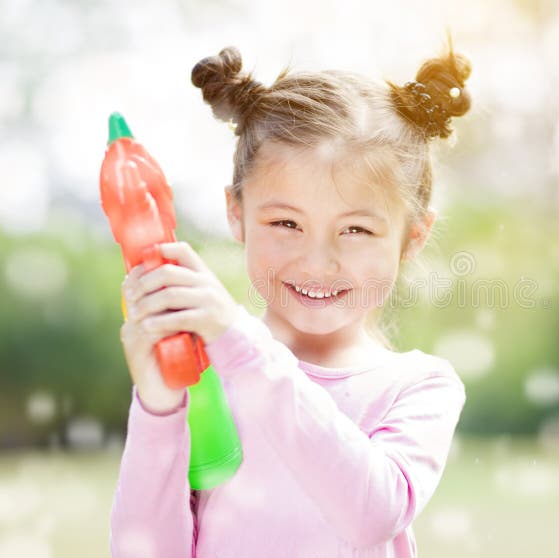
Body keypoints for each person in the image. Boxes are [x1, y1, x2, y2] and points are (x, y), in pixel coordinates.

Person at [109, 36, 472, 558]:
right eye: (286, 222)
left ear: (412, 236)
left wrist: (239, 343)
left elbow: (371, 512)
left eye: (356, 230)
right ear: (236, 214)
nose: (318, 261)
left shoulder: (419, 388)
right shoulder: (201, 371)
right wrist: (159, 407)